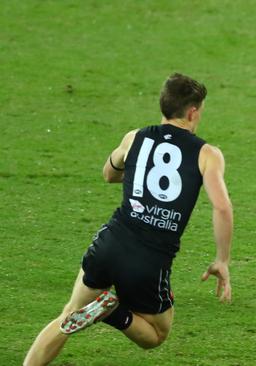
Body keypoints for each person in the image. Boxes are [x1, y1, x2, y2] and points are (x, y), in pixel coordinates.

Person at [24, 73, 234, 365]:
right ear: (193, 111)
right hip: (149, 258)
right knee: (156, 335)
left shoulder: (135, 137)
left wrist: (137, 172)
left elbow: (109, 174)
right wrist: (221, 260)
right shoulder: (207, 154)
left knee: (69, 315)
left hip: (111, 240)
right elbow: (222, 207)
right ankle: (112, 312)